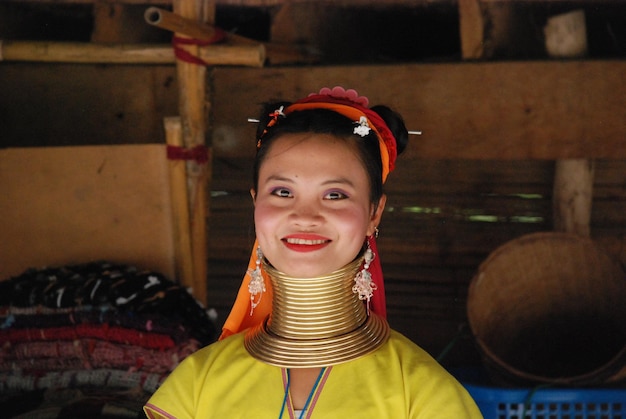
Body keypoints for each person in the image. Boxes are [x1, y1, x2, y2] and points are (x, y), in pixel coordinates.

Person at [144, 86, 483, 418]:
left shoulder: (425, 396)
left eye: (335, 195)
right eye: (282, 191)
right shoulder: (194, 388)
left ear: (374, 213)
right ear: (255, 203)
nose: (305, 216)